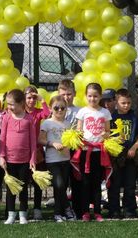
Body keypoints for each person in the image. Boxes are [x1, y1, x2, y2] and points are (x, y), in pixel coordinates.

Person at [72, 82, 112, 222]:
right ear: (85, 96)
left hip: (98, 152)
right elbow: (78, 130)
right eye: (89, 96)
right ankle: (85, 212)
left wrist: (105, 134)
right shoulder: (82, 111)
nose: (92, 99)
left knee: (96, 183)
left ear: (100, 96)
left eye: (95, 96)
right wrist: (79, 136)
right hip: (84, 151)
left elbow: (108, 131)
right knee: (85, 183)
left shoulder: (105, 112)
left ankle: (97, 211)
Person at [1, 89, 37, 225]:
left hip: (24, 161)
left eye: (12, 104)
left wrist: (32, 159)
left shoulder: (29, 119)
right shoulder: (6, 118)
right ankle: (11, 215)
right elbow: (2, 138)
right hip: (10, 160)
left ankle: (23, 214)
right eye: (8, 104)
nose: (9, 107)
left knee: (23, 189)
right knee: (11, 189)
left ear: (22, 103)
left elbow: (33, 141)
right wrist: (2, 156)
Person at [108, 88, 138, 219]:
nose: (126, 105)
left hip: (131, 155)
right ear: (116, 102)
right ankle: (114, 210)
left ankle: (130, 210)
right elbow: (106, 135)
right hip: (116, 156)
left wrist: (134, 148)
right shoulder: (111, 117)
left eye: (128, 102)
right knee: (115, 184)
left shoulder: (133, 116)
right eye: (123, 103)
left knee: (130, 185)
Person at [39, 95, 71, 222]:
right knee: (59, 185)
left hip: (66, 159)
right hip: (52, 160)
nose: (59, 110)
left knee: (62, 187)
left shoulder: (68, 124)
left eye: (62, 108)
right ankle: (63, 210)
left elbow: (72, 140)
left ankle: (62, 212)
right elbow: (40, 139)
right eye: (56, 108)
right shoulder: (47, 123)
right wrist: (53, 144)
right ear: (51, 109)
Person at [24, 85, 50, 221]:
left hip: (37, 152)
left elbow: (47, 114)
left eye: (34, 98)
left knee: (38, 182)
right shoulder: (20, 112)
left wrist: (42, 100)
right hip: (23, 152)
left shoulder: (38, 112)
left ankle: (37, 209)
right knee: (23, 182)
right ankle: (24, 208)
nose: (31, 100)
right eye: (29, 97)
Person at [58, 79, 80, 219]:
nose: (66, 97)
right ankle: (61, 210)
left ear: (75, 94)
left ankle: (77, 210)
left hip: (75, 150)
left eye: (69, 94)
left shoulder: (80, 111)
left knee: (76, 181)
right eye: (63, 94)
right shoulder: (56, 109)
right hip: (60, 151)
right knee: (62, 182)